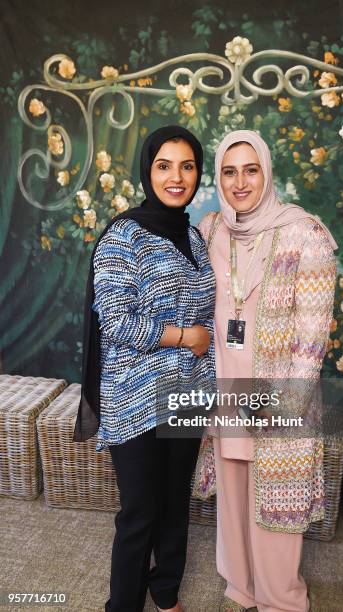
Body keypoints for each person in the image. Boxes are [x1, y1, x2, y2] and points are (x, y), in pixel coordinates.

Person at [73, 125, 216, 612]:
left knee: (176, 503)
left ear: (197, 174)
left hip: (189, 391)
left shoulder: (195, 238)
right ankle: (124, 604)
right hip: (134, 396)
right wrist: (183, 336)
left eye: (187, 166)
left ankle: (167, 589)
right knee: (140, 512)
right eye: (164, 165)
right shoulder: (123, 234)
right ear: (148, 170)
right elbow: (114, 320)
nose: (176, 177)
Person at [194, 130, 337, 612]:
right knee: (234, 500)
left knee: (275, 506)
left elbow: (312, 335)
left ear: (267, 173)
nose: (240, 182)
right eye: (229, 171)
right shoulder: (212, 229)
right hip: (227, 392)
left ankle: (281, 600)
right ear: (218, 176)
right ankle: (241, 589)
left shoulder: (305, 232)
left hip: (278, 395)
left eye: (250, 170)